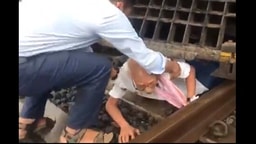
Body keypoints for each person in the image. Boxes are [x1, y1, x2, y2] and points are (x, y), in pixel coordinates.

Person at [19, 0, 183, 143]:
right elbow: (145, 57)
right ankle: (75, 135)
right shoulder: (108, 13)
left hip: (25, 57)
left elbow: (66, 44)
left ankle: (27, 121)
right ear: (120, 5)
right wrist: (172, 66)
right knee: (100, 68)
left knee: (47, 55)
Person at [106, 58, 225, 143]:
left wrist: (191, 98)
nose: (147, 90)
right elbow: (110, 105)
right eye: (140, 86)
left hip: (198, 78)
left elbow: (190, 70)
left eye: (150, 83)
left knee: (220, 71)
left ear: (155, 73)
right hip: (185, 87)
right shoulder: (124, 79)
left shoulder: (161, 65)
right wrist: (124, 126)